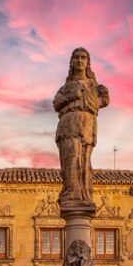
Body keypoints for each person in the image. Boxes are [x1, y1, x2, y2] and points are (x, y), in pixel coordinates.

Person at [53, 48, 109, 205]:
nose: (79, 60)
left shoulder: (93, 86)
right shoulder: (65, 87)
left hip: (87, 123)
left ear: (87, 63)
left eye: (83, 57)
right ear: (71, 62)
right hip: (69, 124)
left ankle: (83, 193)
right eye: (76, 57)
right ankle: (71, 191)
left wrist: (104, 97)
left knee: (84, 161)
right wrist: (72, 95)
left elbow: (99, 103)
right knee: (70, 158)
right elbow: (57, 104)